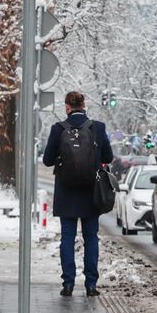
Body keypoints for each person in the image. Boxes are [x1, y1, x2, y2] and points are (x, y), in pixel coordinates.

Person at [42, 91, 112, 296]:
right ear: (85, 105)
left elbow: (47, 160)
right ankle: (91, 284)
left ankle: (68, 284)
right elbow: (108, 156)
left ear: (67, 107)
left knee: (67, 237)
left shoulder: (58, 129)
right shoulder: (98, 128)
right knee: (91, 237)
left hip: (66, 191)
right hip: (92, 192)